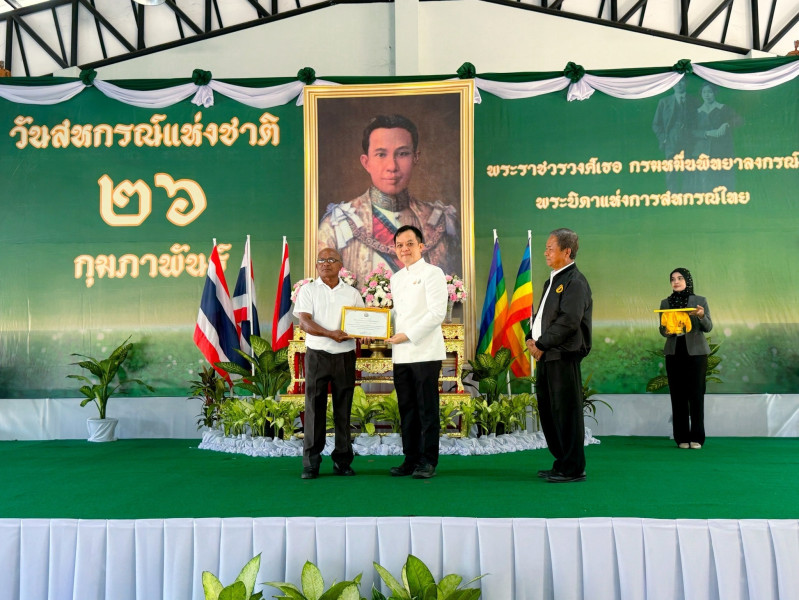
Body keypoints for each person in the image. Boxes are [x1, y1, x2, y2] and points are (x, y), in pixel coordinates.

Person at [317, 114, 460, 285]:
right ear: (366, 162)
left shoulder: (442, 223)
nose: (392, 166)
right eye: (381, 154)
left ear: (415, 157)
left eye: (402, 154)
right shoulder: (336, 225)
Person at [525, 228, 592, 483]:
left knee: (566, 413)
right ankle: (562, 462)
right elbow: (542, 316)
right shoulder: (552, 280)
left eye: (550, 248)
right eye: (546, 248)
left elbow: (569, 321)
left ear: (567, 251)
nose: (545, 252)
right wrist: (530, 338)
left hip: (563, 355)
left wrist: (541, 344)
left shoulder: (575, 282)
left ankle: (573, 468)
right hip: (547, 355)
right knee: (551, 412)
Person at [293, 247, 364, 479]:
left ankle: (342, 461)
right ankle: (311, 463)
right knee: (314, 409)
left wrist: (367, 333)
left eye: (331, 259)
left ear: (340, 265)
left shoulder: (352, 293)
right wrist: (330, 334)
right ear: (316, 265)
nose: (326, 263)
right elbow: (304, 322)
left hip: (345, 356)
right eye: (321, 260)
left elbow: (362, 322)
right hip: (318, 355)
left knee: (344, 409)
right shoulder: (308, 290)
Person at [386, 224, 448, 479]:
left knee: (426, 409)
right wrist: (377, 324)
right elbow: (397, 313)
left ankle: (428, 460)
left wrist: (408, 335)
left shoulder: (433, 273)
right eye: (399, 245)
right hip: (402, 354)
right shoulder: (396, 278)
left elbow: (437, 313)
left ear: (421, 246)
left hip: (425, 352)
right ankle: (410, 459)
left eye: (409, 244)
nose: (405, 249)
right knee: (407, 408)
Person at [659, 268, 712, 449]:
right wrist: (667, 330)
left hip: (696, 354)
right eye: (673, 279)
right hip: (674, 353)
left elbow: (708, 327)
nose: (676, 282)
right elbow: (662, 329)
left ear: (687, 280)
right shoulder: (665, 303)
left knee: (696, 395)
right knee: (677, 395)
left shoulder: (700, 301)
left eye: (680, 278)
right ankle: (681, 437)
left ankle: (697, 437)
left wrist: (701, 316)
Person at [691, 82, 742, 192]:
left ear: (715, 93)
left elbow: (739, 120)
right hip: (703, 152)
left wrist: (726, 124)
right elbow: (691, 131)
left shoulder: (723, 108)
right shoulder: (697, 112)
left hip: (721, 151)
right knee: (705, 181)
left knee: (722, 178)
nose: (707, 95)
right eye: (704, 92)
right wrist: (706, 133)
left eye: (710, 92)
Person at [651, 78, 698, 191]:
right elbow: (656, 124)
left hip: (689, 140)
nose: (679, 84)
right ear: (672, 84)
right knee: (671, 170)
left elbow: (699, 121)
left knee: (689, 168)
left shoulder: (694, 101)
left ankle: (687, 195)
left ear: (686, 83)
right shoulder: (664, 102)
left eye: (682, 81)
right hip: (671, 141)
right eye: (676, 82)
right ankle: (672, 195)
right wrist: (664, 139)